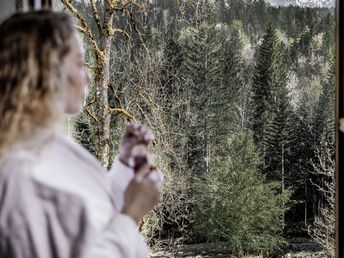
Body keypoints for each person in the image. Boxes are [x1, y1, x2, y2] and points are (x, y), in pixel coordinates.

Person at [0, 10, 163, 258]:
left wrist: (125, 164)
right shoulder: (22, 175)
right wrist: (132, 214)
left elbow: (87, 218)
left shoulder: (42, 145)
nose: (86, 77)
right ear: (45, 73)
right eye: (79, 64)